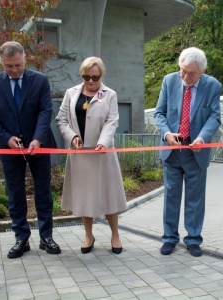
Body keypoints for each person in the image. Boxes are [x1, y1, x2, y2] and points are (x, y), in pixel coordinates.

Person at [0, 41, 61, 258]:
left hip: (40, 145)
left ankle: (46, 237)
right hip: (10, 149)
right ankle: (21, 239)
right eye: (9, 66)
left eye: (18, 65)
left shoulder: (40, 80)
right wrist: (6, 138)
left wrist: (37, 139)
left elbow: (46, 111)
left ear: (24, 58)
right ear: (2, 62)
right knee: (15, 193)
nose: (15, 70)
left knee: (43, 191)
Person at [154, 47, 221, 257]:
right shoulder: (169, 81)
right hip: (172, 150)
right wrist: (167, 134)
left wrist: (202, 137)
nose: (185, 76)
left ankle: (193, 239)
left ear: (202, 71)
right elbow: (159, 113)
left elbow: (214, 117)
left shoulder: (213, 86)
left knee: (195, 198)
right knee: (171, 196)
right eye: (183, 71)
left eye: (191, 73)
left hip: (196, 150)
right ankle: (169, 238)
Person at [56, 56, 127, 254]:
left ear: (102, 75)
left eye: (95, 77)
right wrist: (72, 137)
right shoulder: (71, 93)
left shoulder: (109, 94)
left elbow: (112, 121)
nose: (90, 81)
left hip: (102, 154)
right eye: (86, 76)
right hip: (80, 155)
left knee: (109, 195)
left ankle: (115, 235)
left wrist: (103, 142)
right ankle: (88, 235)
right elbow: (61, 119)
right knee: (84, 197)